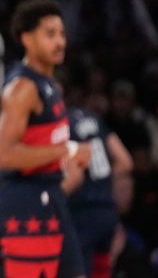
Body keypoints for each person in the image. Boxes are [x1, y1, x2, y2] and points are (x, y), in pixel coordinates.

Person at [0, 0, 91, 278]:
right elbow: (4, 156)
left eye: (61, 34)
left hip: (52, 198)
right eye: (50, 34)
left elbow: (42, 147)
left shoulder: (51, 85)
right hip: (26, 206)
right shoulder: (22, 88)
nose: (60, 41)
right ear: (27, 39)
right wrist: (68, 150)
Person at [62, 105, 133, 278]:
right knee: (101, 271)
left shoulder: (62, 126)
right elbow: (126, 162)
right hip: (107, 212)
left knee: (78, 272)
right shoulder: (94, 118)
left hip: (83, 213)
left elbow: (75, 178)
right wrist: (101, 177)